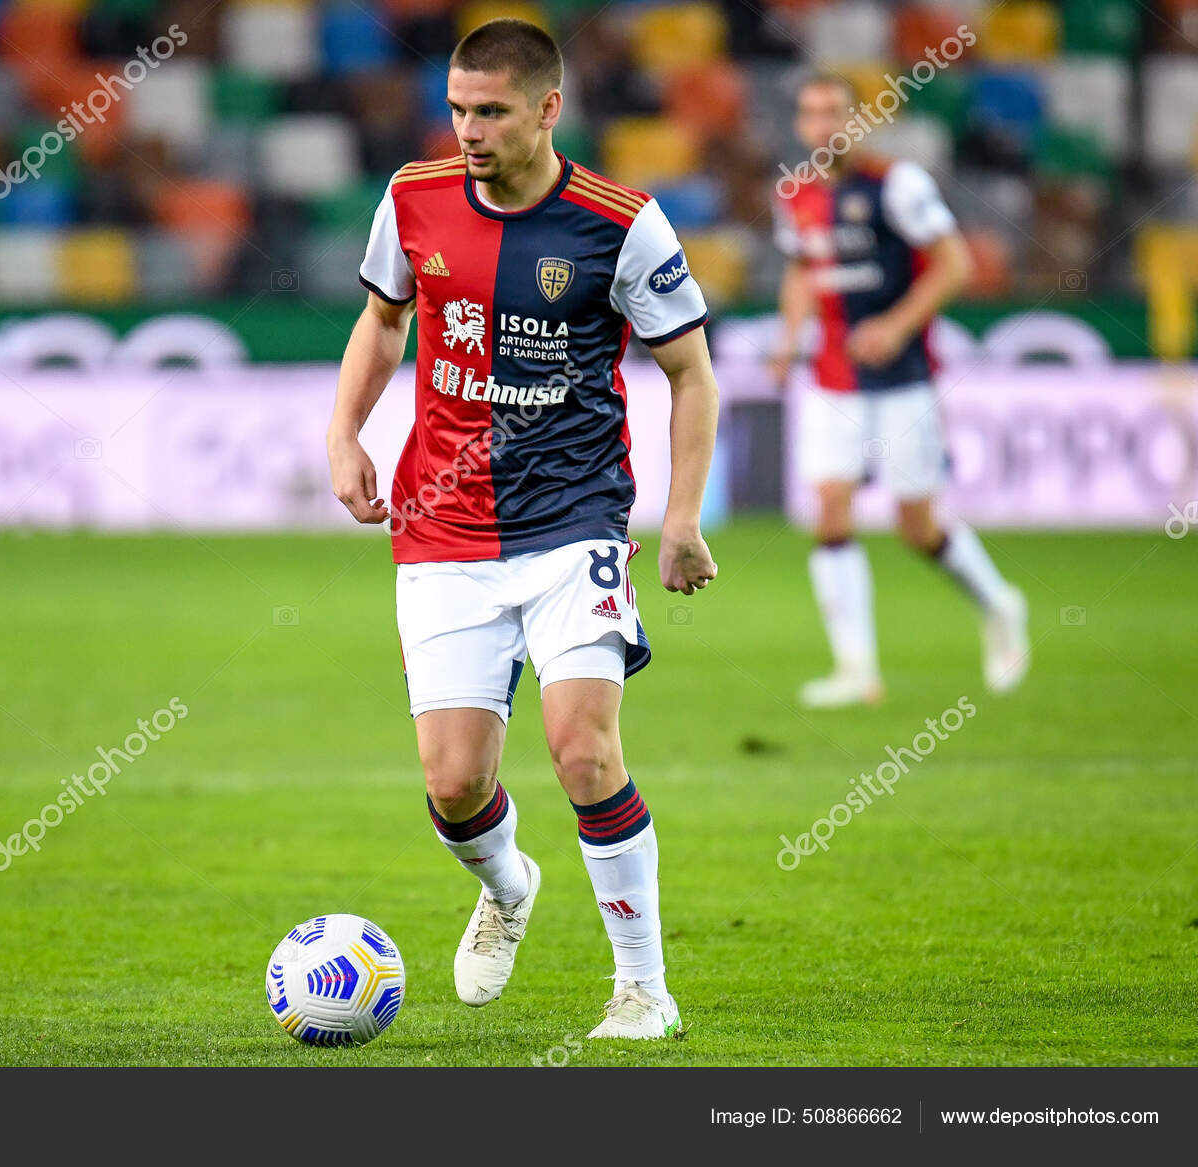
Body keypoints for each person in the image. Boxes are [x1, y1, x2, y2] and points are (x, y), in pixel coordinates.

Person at [325, 19, 721, 1039]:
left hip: (572, 522)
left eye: (490, 111)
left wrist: (677, 517)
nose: (467, 129)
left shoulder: (621, 223)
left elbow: (690, 373)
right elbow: (382, 319)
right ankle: (506, 885)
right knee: (455, 783)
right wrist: (343, 436)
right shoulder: (411, 197)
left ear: (549, 109)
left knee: (582, 753)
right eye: (457, 108)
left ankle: (642, 991)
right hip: (442, 525)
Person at [770, 73, 1029, 708]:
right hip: (833, 377)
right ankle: (857, 669)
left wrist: (895, 324)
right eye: (811, 114)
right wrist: (788, 338)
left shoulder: (899, 185)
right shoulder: (793, 194)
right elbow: (804, 270)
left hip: (903, 378)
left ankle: (999, 603)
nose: (823, 125)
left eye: (835, 113)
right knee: (830, 509)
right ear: (800, 126)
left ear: (858, 122)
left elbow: (956, 264)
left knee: (917, 525)